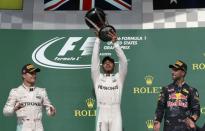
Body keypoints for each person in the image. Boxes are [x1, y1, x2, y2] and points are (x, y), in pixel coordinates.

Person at [91, 31, 127, 131]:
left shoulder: (119, 78)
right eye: (105, 63)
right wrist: (98, 40)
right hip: (101, 111)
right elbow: (94, 60)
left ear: (114, 65)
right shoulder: (97, 77)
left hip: (116, 112)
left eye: (110, 62)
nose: (107, 64)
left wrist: (115, 44)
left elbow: (124, 62)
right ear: (102, 66)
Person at [3, 63, 56, 131]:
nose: (34, 75)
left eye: (35, 73)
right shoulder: (15, 92)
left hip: (38, 127)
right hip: (23, 127)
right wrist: (14, 109)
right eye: (31, 73)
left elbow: (49, 110)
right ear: (24, 75)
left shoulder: (41, 91)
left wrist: (52, 112)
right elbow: (5, 112)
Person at [153, 60, 200, 131]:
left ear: (183, 73)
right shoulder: (165, 89)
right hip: (169, 128)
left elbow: (196, 111)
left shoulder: (192, 90)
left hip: (185, 129)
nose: (172, 72)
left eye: (176, 70)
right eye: (172, 70)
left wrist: (192, 120)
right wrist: (158, 120)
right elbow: (160, 108)